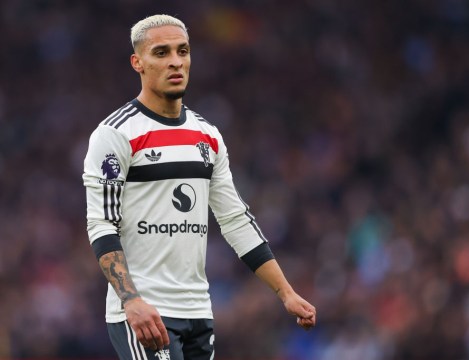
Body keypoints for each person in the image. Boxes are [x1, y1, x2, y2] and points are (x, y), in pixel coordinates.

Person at [82, 14, 316, 360]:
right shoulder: (115, 134)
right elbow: (102, 223)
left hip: (198, 311)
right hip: (146, 312)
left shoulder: (207, 135)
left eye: (183, 51)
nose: (176, 61)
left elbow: (235, 219)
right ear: (138, 63)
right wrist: (130, 300)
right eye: (161, 53)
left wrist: (285, 292)